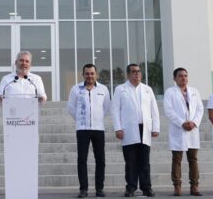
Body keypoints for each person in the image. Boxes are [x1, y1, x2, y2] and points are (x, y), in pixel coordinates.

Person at [111, 63, 160, 198]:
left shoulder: (147, 89)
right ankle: (131, 188)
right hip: (128, 129)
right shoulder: (120, 89)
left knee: (145, 161)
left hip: (144, 128)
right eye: (133, 71)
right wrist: (118, 128)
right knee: (131, 161)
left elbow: (154, 109)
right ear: (128, 74)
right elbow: (115, 110)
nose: (137, 74)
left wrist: (155, 127)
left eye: (138, 71)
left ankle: (146, 188)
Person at [67, 64, 112, 198]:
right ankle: (83, 189)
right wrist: (81, 119)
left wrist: (97, 118)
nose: (90, 76)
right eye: (87, 73)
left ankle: (99, 188)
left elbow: (106, 107)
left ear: (96, 74)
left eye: (92, 73)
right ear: (83, 75)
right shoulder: (76, 89)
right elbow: (71, 108)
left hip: (98, 128)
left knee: (100, 160)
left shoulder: (103, 89)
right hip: (82, 129)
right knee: (82, 159)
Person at [164, 67, 204, 197]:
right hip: (178, 129)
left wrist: (194, 123)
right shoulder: (170, 92)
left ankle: (194, 186)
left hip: (192, 129)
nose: (183, 78)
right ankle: (177, 186)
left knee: (193, 159)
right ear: (175, 78)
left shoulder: (194, 91)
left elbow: (200, 109)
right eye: (180, 76)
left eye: (185, 76)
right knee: (177, 159)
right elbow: (168, 110)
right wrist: (182, 122)